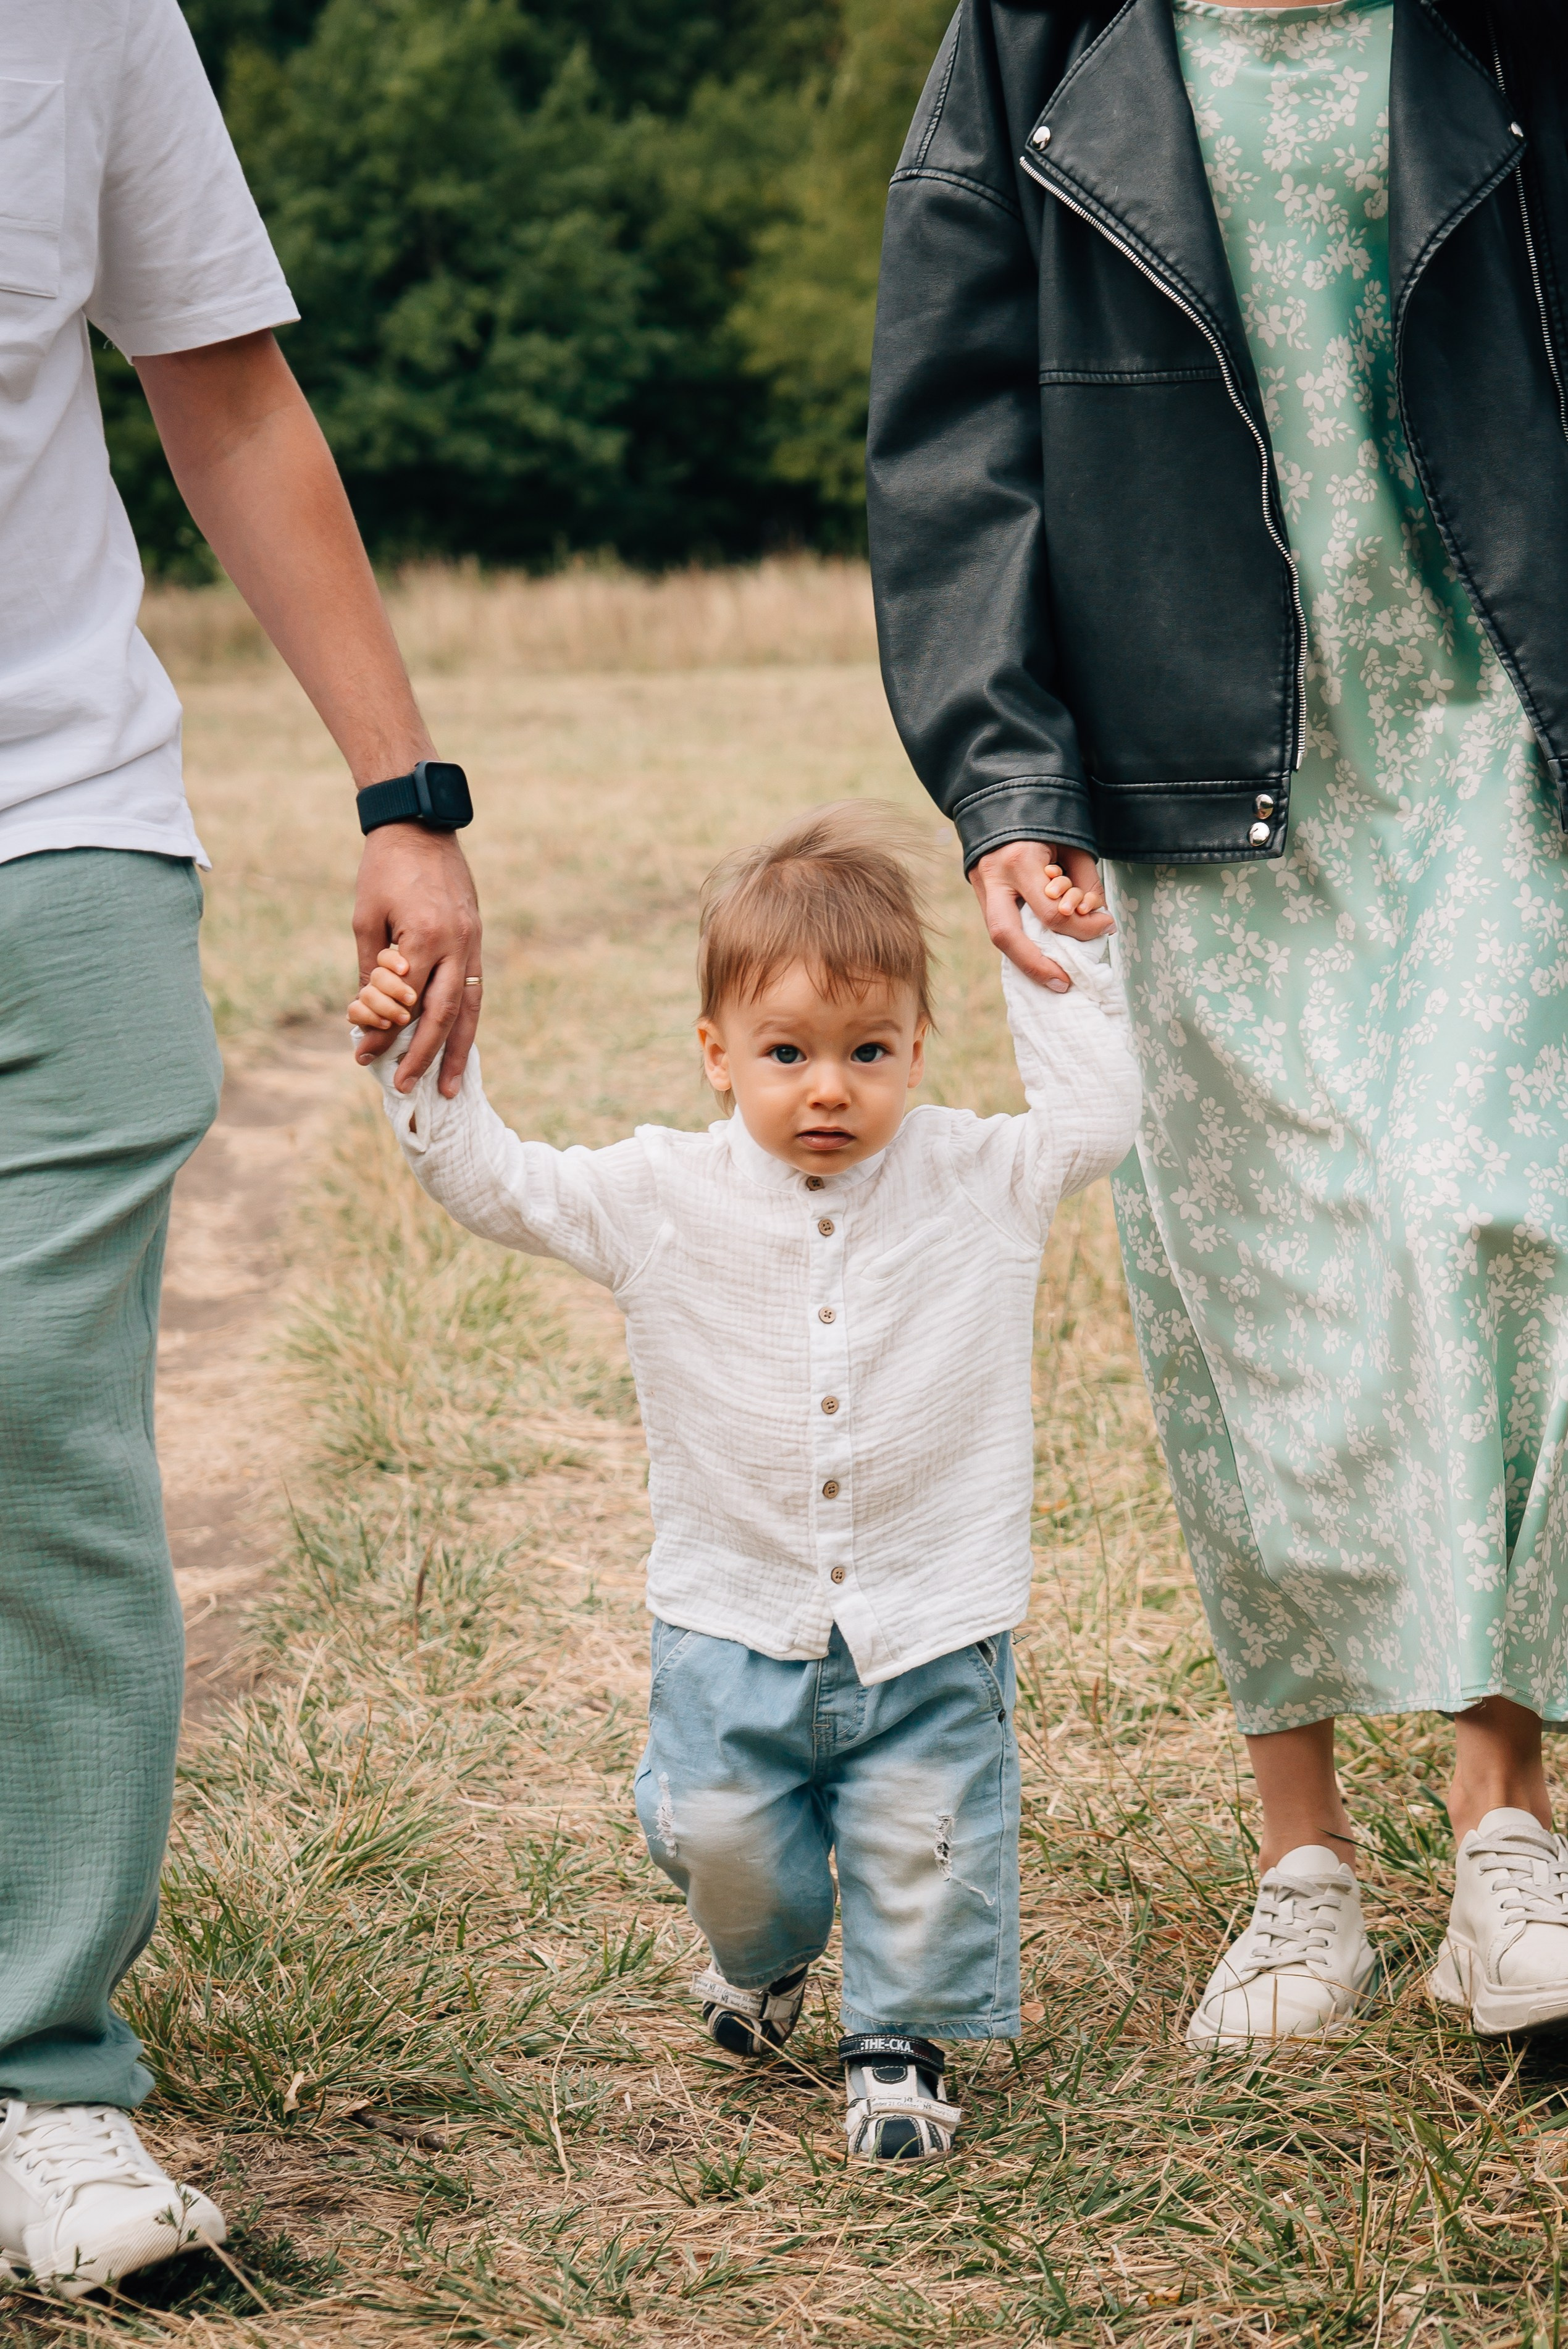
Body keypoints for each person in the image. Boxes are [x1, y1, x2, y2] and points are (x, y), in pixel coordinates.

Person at [868, 0, 1568, 2044]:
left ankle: (1508, 1831)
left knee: (1494, 1224)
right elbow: (952, 434)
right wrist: (1008, 777)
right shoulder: (1039, 36)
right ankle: (1304, 1869)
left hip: (1489, 732)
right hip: (1188, 767)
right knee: (1254, 1292)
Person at [0, 0, 479, 2299]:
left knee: (40, 1437)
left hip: (54, 820)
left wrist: (406, 795)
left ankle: (43, 2068)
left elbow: (222, 379)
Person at [350, 804, 1139, 2156]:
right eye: (786, 1053)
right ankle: (765, 1954)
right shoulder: (663, 1192)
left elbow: (1098, 1119)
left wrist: (1043, 953)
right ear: (717, 1057)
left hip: (929, 1612)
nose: (827, 1089)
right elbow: (494, 1184)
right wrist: (416, 1057)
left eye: (867, 1051)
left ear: (915, 1051)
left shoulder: (976, 1178)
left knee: (923, 1833)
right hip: (731, 1614)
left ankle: (896, 2039)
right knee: (720, 1838)